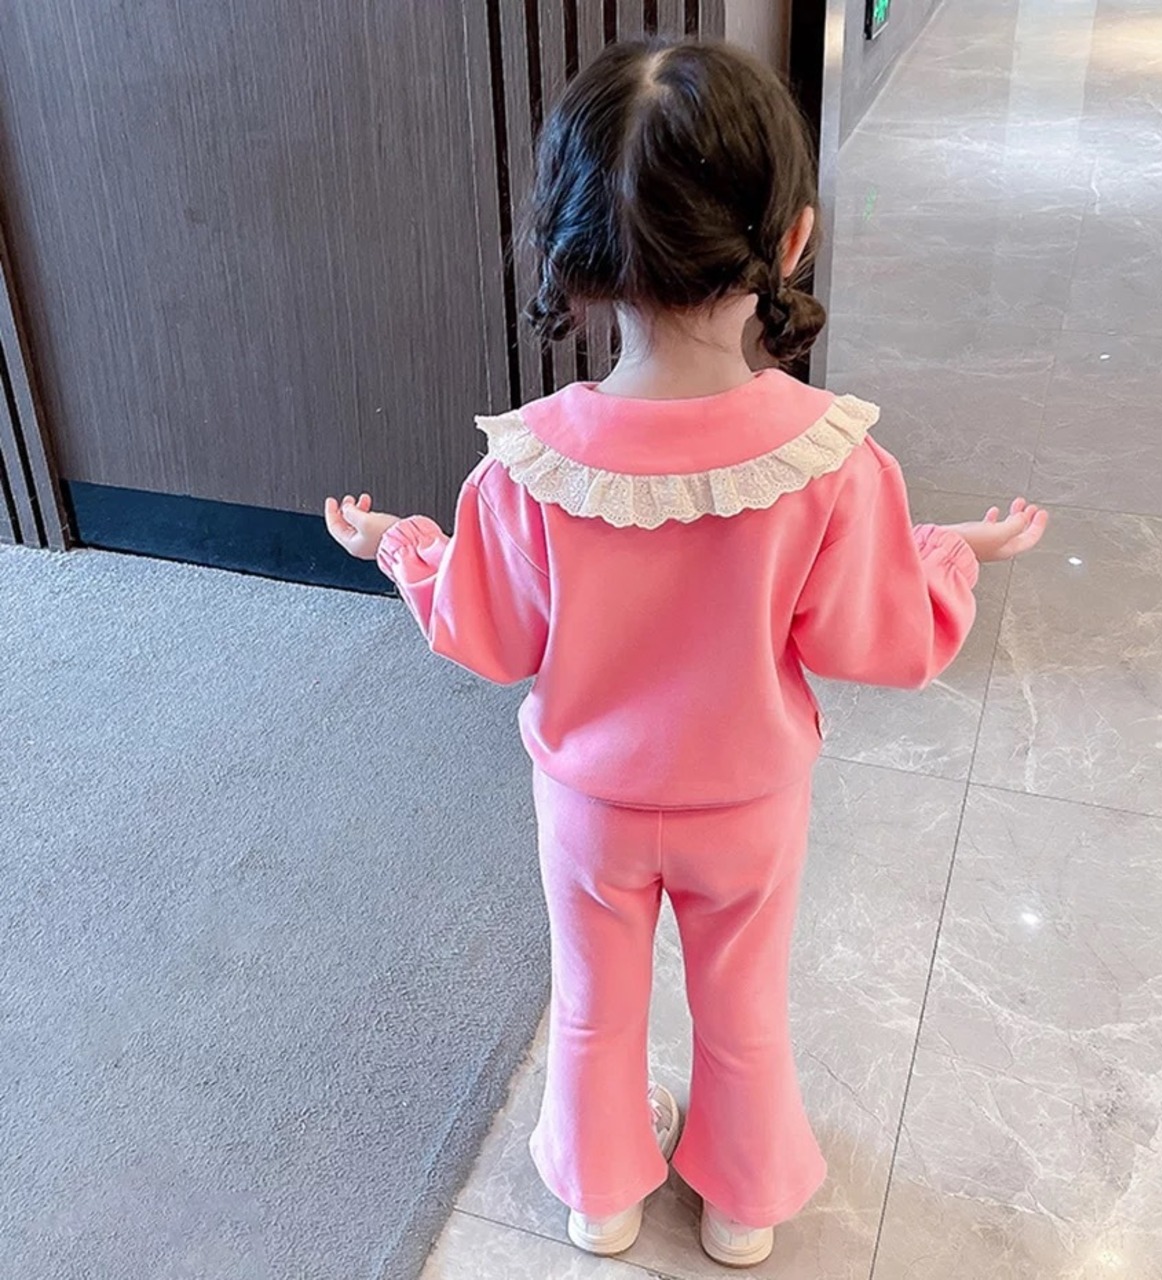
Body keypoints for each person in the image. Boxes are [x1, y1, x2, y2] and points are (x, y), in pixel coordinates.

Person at [324, 39, 1048, 1269]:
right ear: (792, 239)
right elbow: (874, 633)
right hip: (747, 805)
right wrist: (942, 555)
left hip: (588, 804)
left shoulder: (529, 464)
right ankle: (741, 1205)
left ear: (571, 254)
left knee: (591, 1007)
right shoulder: (830, 460)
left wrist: (408, 546)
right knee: (744, 1009)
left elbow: (491, 633)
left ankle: (599, 1199)